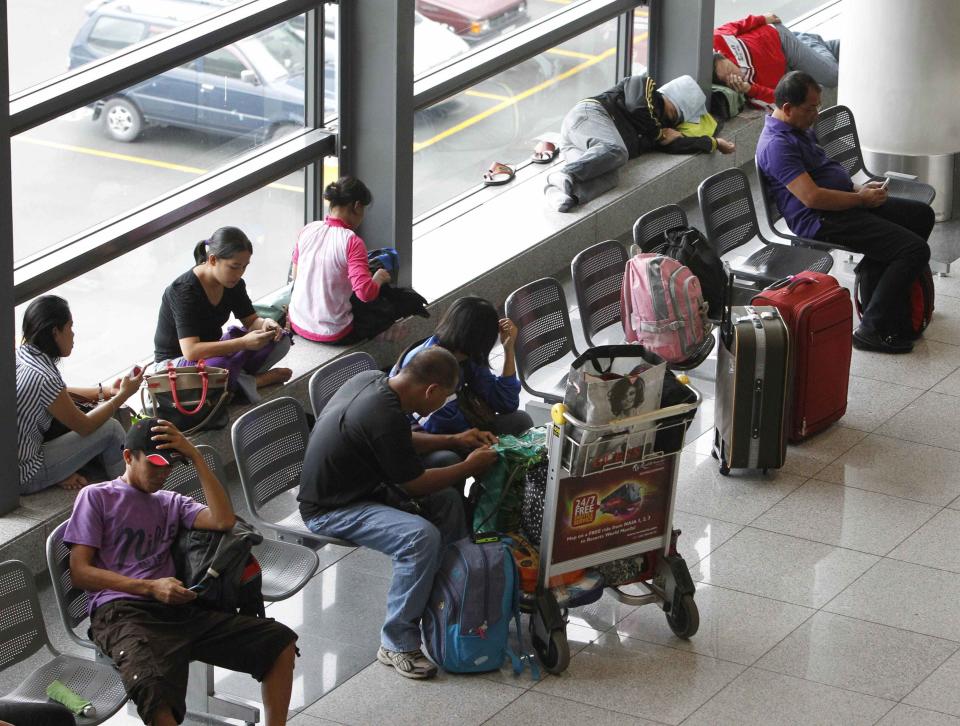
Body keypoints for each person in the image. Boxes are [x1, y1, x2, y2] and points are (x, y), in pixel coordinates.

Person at [64, 418, 297, 726]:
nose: (162, 474)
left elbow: (223, 520)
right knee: (154, 689)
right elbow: (80, 572)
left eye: (169, 467)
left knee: (280, 643)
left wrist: (197, 457)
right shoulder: (97, 497)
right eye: (154, 464)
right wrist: (149, 587)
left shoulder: (169, 502)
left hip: (177, 609)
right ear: (128, 457)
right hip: (122, 612)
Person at [298, 347, 498, 680]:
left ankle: (452, 600)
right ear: (431, 391)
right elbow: (414, 485)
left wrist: (454, 439)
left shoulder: (375, 381)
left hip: (366, 486)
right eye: (445, 398)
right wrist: (469, 466)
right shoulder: (382, 413)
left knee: (448, 499)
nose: (443, 404)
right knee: (419, 537)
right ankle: (397, 642)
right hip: (333, 507)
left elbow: (396, 439)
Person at [756, 71, 933, 354]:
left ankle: (878, 282)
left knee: (920, 216)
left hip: (843, 202)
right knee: (913, 250)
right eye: (810, 108)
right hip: (820, 219)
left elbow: (827, 173)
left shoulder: (799, 127)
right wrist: (860, 200)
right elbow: (812, 197)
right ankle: (871, 329)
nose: (816, 114)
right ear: (787, 108)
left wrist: (859, 188)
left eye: (818, 105)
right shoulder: (777, 145)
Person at [545, 74, 735, 212]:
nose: (669, 120)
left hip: (584, 145)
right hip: (589, 116)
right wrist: (660, 134)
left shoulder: (657, 129)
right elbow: (637, 107)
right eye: (673, 113)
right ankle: (565, 173)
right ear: (670, 97)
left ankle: (561, 192)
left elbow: (675, 144)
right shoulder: (644, 84)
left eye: (675, 120)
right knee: (617, 151)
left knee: (611, 177)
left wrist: (713, 143)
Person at [16, 295, 142, 494]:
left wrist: (106, 391)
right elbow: (84, 426)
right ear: (55, 332)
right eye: (70, 327)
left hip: (10, 466)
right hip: (25, 473)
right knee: (111, 430)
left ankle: (62, 472)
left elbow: (58, 394)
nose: (73, 334)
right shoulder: (45, 377)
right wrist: (122, 397)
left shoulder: (22, 356)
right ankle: (131, 495)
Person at [153, 226, 292, 403]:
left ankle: (233, 382)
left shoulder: (233, 284)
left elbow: (251, 321)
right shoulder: (183, 291)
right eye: (234, 267)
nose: (240, 273)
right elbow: (191, 351)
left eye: (244, 267)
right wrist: (243, 343)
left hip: (212, 355)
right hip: (175, 365)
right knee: (220, 367)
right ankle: (256, 381)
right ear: (212, 260)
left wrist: (266, 324)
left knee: (280, 340)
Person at [391, 296, 533, 437]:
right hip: (427, 436)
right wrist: (483, 442)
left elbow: (505, 403)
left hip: (460, 427)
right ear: (480, 340)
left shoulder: (466, 355)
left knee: (520, 420)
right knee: (448, 458)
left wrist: (509, 349)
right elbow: (443, 427)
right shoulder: (431, 365)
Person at [288, 177, 395, 344]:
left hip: (297, 322)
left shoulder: (308, 229)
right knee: (388, 307)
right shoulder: (352, 241)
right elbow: (365, 293)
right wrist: (379, 278)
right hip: (334, 332)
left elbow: (295, 275)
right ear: (357, 206)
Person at [713, 12, 840, 109]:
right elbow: (779, 98)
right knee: (814, 81)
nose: (735, 73)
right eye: (728, 77)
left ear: (722, 55)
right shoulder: (745, 90)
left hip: (780, 40)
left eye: (730, 68)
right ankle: (818, 46)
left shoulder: (717, 39)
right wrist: (750, 90)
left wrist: (762, 18)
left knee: (832, 76)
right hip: (782, 70)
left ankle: (805, 40)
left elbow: (738, 26)